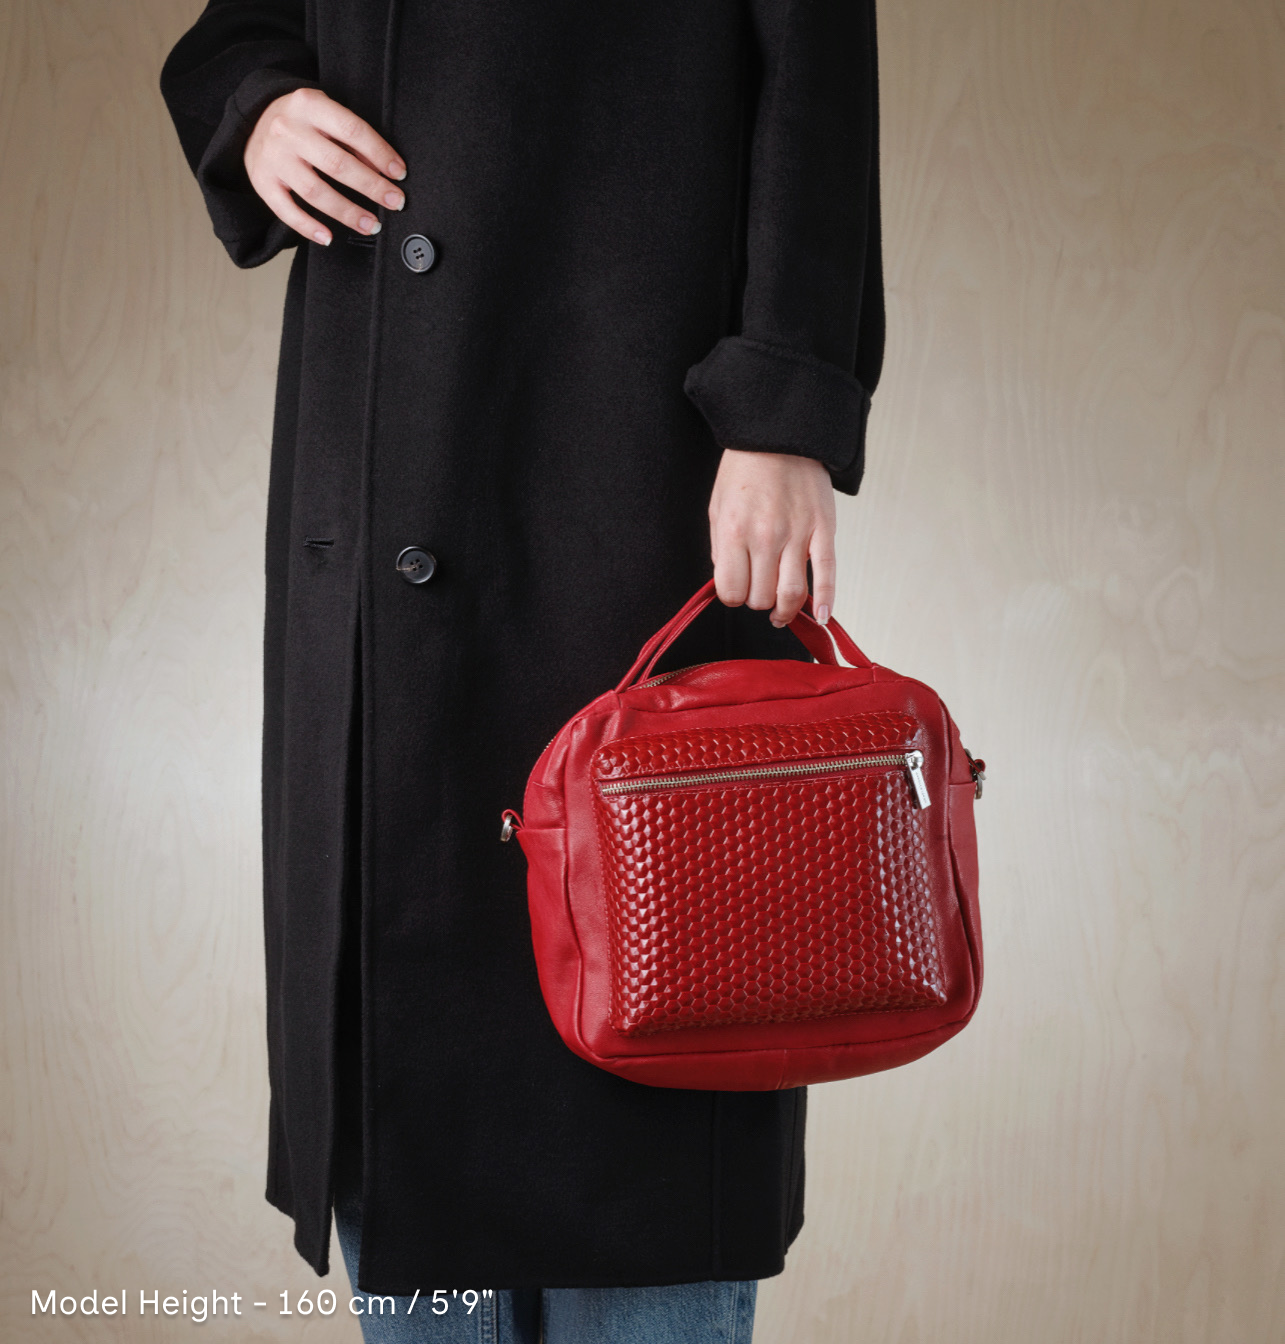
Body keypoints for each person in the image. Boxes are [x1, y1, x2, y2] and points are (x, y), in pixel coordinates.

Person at [160, 2, 884, 1339]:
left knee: (659, 1009)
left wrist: (785, 403)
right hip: (386, 489)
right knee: (412, 1127)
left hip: (634, 448)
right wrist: (254, 108)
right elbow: (238, 28)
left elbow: (817, 69)